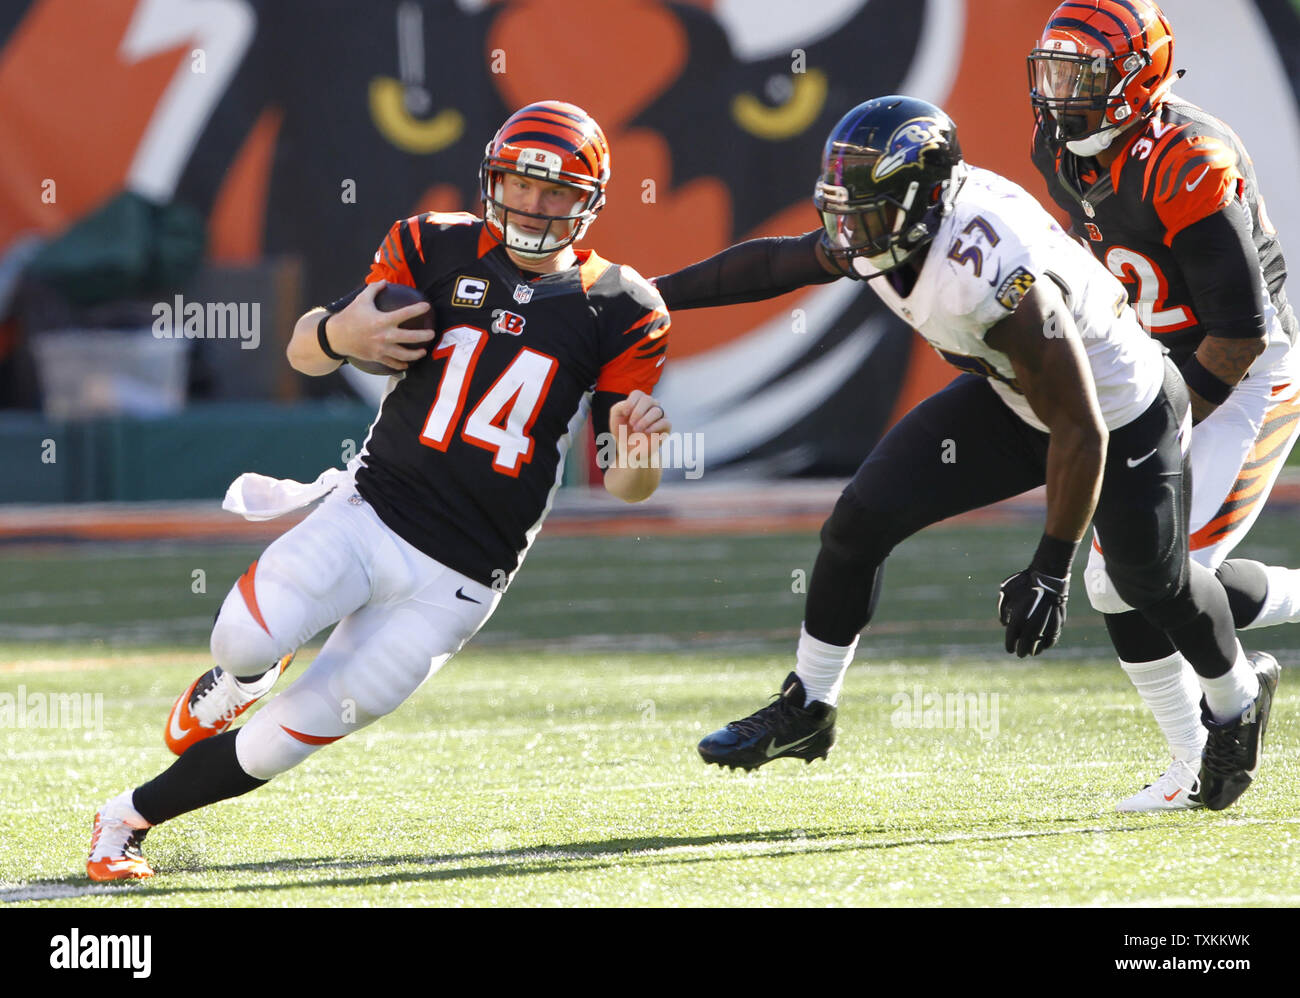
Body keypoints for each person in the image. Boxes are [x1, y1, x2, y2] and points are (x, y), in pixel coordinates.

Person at [85, 100, 673, 880]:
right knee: (243, 637)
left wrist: (642, 451)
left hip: (463, 579)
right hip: (372, 510)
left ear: (589, 199)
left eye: (556, 190)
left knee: (288, 738)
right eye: (519, 185)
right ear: (491, 180)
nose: (533, 205)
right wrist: (336, 336)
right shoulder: (433, 245)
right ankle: (241, 678)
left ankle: (127, 818)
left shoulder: (624, 308)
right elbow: (304, 353)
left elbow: (627, 486)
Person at [653, 95, 1278, 813]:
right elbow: (784, 263)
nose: (847, 232)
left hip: (1122, 410)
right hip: (1018, 395)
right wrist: (652, 297)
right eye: (842, 210)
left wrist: (1050, 568)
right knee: (859, 521)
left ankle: (1235, 697)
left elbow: (1080, 427)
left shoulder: (989, 271)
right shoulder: (892, 226)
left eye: (865, 214)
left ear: (921, 205)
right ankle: (807, 708)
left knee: (1152, 583)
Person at [1026, 0, 1300, 810]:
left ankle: (1206, 738)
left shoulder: (1186, 158)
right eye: (1051, 69)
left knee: (1135, 574)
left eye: (1080, 74)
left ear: (1134, 75)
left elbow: (1241, 335)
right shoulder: (1061, 147)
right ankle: (1191, 756)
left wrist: (1156, 426)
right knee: (1129, 577)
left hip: (1247, 378)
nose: (1057, 92)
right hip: (1156, 365)